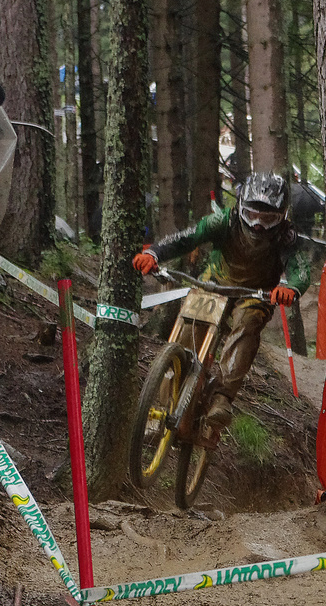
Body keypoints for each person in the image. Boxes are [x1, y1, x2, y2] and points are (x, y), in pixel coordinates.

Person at [132, 171, 311, 429]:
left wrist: (291, 288)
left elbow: (299, 268)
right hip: (214, 282)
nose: (258, 224)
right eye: (251, 215)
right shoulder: (223, 221)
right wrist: (155, 253)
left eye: (268, 218)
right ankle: (160, 406)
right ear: (240, 208)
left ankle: (223, 398)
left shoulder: (286, 237)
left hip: (255, 293)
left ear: (281, 218)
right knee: (187, 328)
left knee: (247, 326)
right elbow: (186, 237)